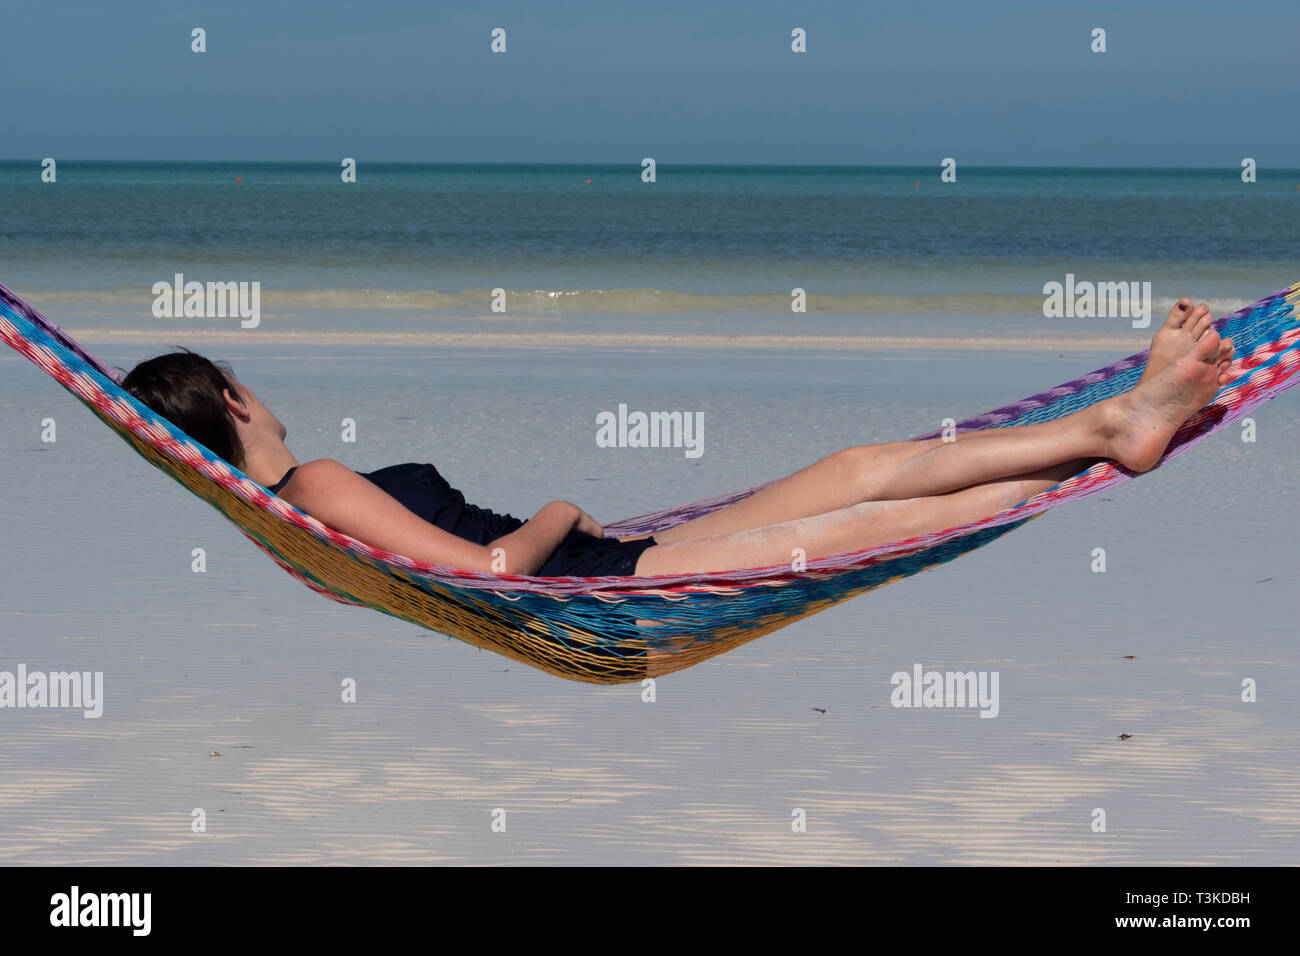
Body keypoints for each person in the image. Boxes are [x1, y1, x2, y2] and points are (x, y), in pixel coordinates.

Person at [121, 300, 1234, 577]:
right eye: (242, 380)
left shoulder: (291, 511)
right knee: (873, 515)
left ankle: (1109, 425)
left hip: (620, 567)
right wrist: (564, 507)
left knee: (854, 468)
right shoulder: (312, 481)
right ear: (232, 397)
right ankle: (1109, 436)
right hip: (609, 585)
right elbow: (491, 569)